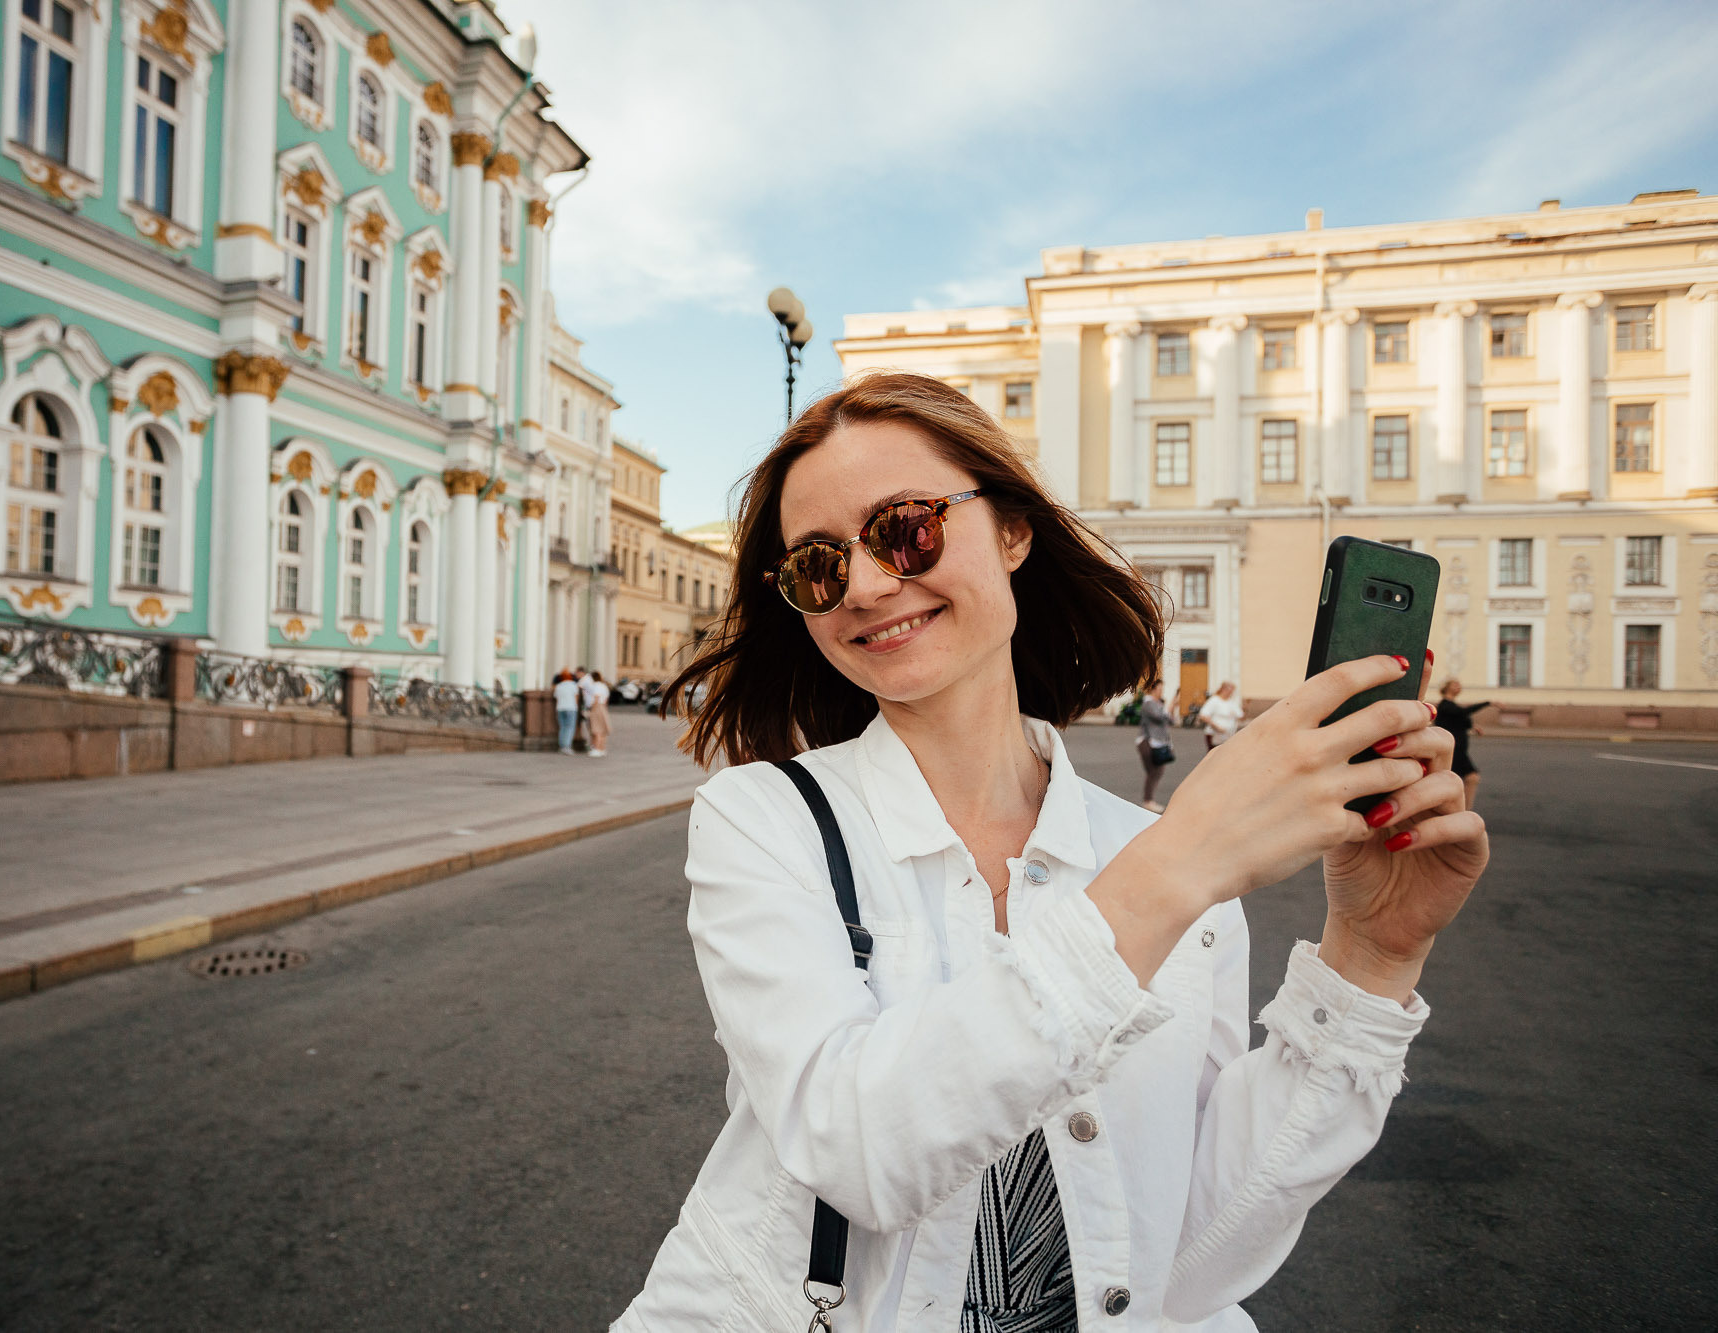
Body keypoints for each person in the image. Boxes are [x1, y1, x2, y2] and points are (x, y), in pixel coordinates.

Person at [619, 372, 1487, 1333]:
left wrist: (1372, 958)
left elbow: (1188, 1262)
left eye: (906, 527)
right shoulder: (762, 819)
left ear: (1014, 530)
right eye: (819, 566)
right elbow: (861, 1148)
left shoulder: (1160, 860)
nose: (866, 584)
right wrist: (1181, 861)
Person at [1434, 677, 1493, 809]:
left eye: (1459, 685)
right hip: (1452, 750)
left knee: (1463, 779)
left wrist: (1473, 726)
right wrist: (1488, 703)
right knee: (1470, 777)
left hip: (1458, 750)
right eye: (1455, 684)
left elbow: (1461, 719)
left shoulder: (1452, 706)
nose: (1458, 687)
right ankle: (1462, 810)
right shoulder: (1445, 705)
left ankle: (1460, 810)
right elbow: (1462, 713)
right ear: (1446, 687)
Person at [1136, 679, 1175, 812]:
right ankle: (1148, 801)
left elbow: (1171, 720)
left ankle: (1149, 800)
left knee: (1156, 772)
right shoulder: (1148, 703)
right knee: (1154, 771)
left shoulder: (1158, 703)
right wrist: (1170, 706)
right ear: (1153, 689)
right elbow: (1160, 717)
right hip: (1147, 742)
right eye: (1160, 689)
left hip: (1159, 742)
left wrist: (1171, 708)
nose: (1161, 692)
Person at [1200, 680, 1245, 750]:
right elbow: (1203, 715)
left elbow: (1240, 716)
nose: (1231, 693)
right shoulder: (1214, 700)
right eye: (1230, 691)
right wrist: (1216, 727)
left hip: (1229, 735)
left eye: (1232, 691)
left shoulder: (1232, 702)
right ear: (1223, 689)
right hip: (1215, 734)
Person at [551, 669, 580, 755]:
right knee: (570, 727)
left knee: (563, 727)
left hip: (560, 708)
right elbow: (576, 698)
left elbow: (556, 697)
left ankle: (562, 746)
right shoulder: (573, 685)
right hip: (571, 708)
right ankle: (567, 747)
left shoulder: (558, 686)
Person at [585, 669, 613, 758]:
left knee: (596, 729)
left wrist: (591, 710)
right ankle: (602, 748)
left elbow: (596, 698)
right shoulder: (604, 686)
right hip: (603, 707)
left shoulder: (596, 686)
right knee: (602, 729)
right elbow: (606, 700)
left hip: (597, 708)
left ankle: (596, 749)